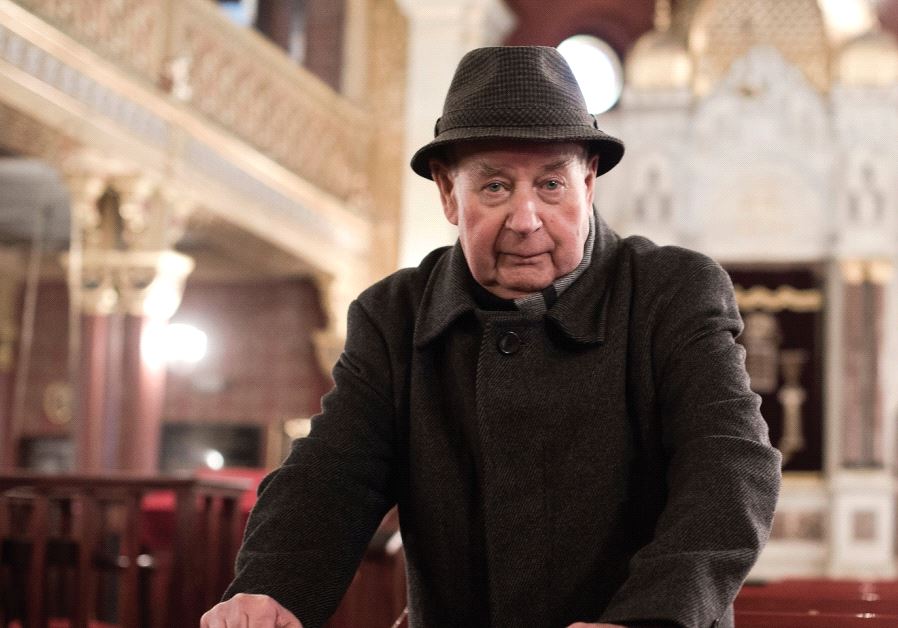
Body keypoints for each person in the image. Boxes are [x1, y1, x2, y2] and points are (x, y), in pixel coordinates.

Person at [201, 46, 781, 628]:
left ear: (589, 182)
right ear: (449, 193)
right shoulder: (393, 314)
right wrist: (271, 589)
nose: (526, 219)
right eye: (496, 187)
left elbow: (729, 464)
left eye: (551, 184)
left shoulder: (673, 291)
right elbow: (333, 475)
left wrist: (649, 619)